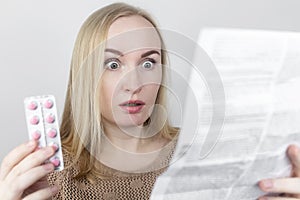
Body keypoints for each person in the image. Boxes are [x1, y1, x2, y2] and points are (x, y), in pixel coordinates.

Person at [0, 2, 300, 200]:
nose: (134, 84)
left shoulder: (205, 157)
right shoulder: (46, 176)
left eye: (147, 63)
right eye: (113, 64)